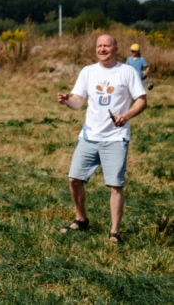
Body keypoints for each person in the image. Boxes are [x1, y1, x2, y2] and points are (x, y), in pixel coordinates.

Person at [57, 35, 147, 244]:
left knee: (115, 185)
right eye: (99, 46)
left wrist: (125, 116)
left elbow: (141, 100)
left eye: (106, 45)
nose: (102, 49)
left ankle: (114, 232)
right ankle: (81, 220)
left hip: (116, 137)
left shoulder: (127, 71)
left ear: (116, 48)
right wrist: (67, 101)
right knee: (74, 179)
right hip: (89, 136)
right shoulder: (88, 71)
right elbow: (78, 100)